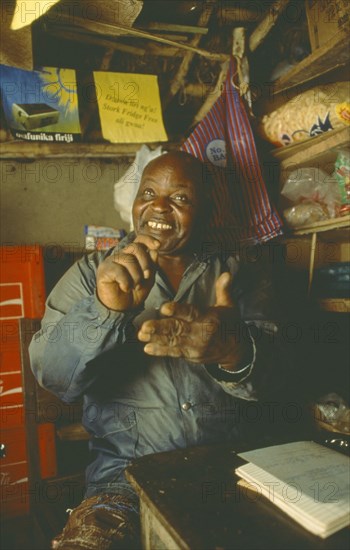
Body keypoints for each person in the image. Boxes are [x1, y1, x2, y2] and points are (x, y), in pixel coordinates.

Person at [29, 151, 293, 549]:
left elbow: (279, 380)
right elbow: (53, 377)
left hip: (232, 472)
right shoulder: (90, 275)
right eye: (148, 192)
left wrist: (231, 350)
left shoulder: (240, 273)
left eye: (181, 198)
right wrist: (104, 312)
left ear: (205, 210)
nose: (158, 206)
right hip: (123, 483)